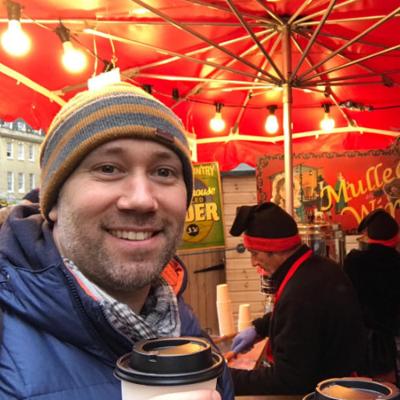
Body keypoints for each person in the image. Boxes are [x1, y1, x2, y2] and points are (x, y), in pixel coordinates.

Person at [0, 83, 233, 400]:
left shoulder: (187, 330)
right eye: (108, 168)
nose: (141, 199)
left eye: (164, 172)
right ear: (53, 202)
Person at [228, 202, 366, 396]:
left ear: (274, 249)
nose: (253, 262)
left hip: (325, 392)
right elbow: (302, 318)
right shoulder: (319, 267)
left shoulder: (300, 292)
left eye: (255, 253)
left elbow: (289, 380)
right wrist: (259, 328)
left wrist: (227, 378)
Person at [343, 209, 400, 384]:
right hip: (390, 341)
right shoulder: (397, 261)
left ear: (367, 235)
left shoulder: (354, 261)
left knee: (362, 390)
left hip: (359, 340)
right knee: (388, 390)